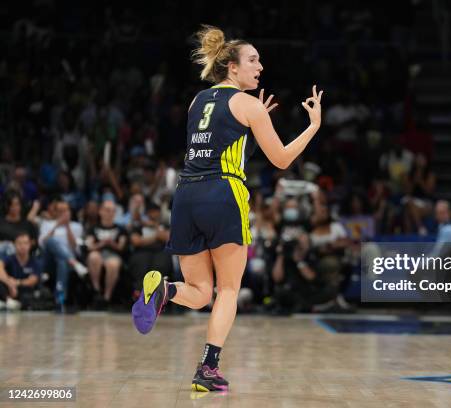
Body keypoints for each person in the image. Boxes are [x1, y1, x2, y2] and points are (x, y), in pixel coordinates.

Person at [130, 25, 323, 392]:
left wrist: (250, 127)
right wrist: (312, 127)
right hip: (223, 194)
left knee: (199, 291)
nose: (260, 66)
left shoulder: (196, 101)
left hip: (186, 195)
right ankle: (208, 368)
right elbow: (281, 159)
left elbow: (222, 143)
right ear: (232, 67)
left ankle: (165, 292)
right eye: (253, 60)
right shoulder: (249, 105)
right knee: (228, 291)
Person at [85, 200, 127, 308]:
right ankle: (96, 290)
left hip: (114, 255)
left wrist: (112, 244)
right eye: (107, 210)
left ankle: (107, 297)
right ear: (101, 212)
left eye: (113, 211)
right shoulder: (93, 228)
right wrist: (102, 243)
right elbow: (89, 246)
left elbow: (121, 247)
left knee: (112, 264)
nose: (110, 213)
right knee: (94, 256)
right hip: (98, 253)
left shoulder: (120, 229)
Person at [0, 232, 41, 310]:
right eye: (19, 243)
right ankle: (7, 300)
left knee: (28, 295)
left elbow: (33, 280)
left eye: (25, 243)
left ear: (30, 244)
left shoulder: (35, 262)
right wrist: (9, 283)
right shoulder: (10, 258)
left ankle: (8, 302)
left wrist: (17, 282)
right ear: (14, 244)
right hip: (9, 289)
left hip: (24, 290)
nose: (22, 246)